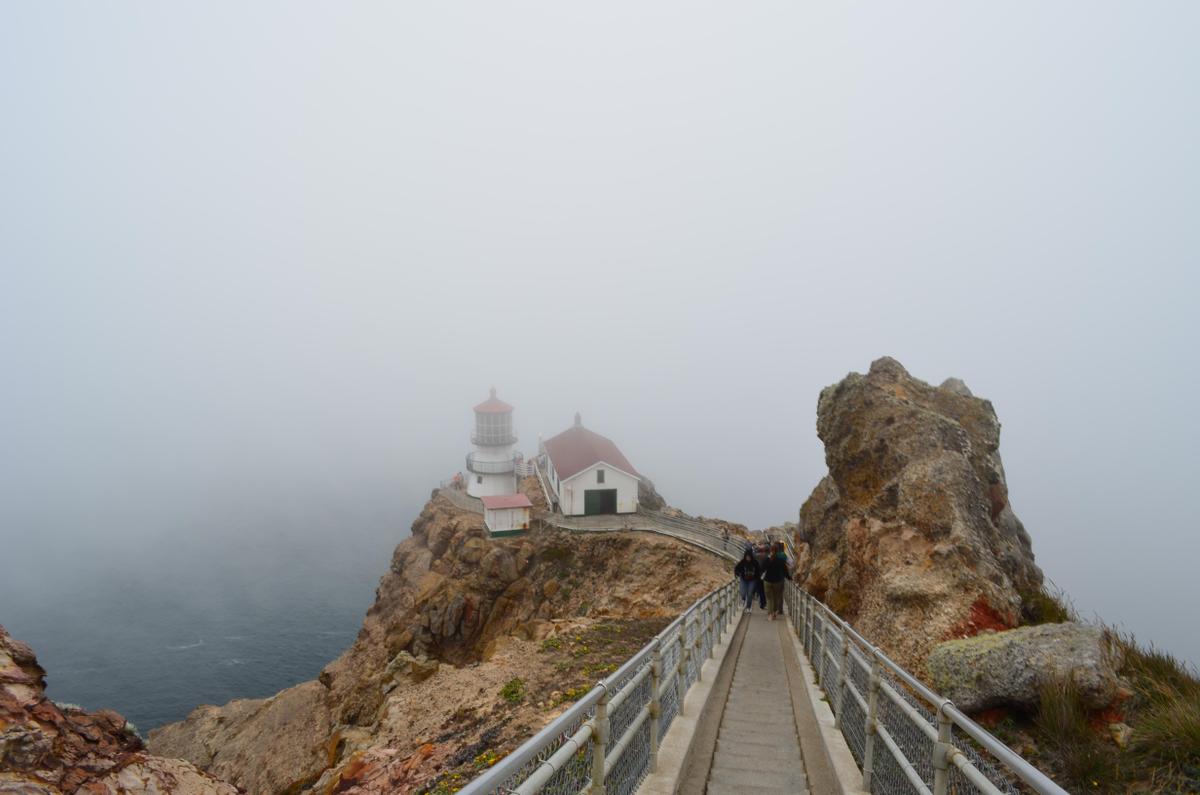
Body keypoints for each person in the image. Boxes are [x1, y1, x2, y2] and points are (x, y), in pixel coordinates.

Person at [763, 541, 790, 621]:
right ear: (778, 551)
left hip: (767, 580)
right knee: (775, 597)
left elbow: (762, 568)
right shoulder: (780, 560)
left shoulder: (767, 559)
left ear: (770, 550)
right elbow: (785, 571)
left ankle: (770, 614)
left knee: (769, 598)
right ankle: (774, 612)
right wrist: (789, 577)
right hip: (777, 581)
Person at [753, 543, 769, 610]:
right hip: (764, 575)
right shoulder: (766, 556)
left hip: (757, 575)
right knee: (764, 590)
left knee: (760, 590)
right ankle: (764, 603)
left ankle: (762, 603)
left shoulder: (755, 556)